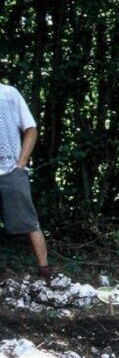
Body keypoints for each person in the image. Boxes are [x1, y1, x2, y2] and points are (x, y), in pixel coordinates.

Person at [0, 81, 49, 278]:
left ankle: (44, 270)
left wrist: (21, 164)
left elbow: (31, 128)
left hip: (11, 169)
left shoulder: (9, 93)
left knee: (29, 221)